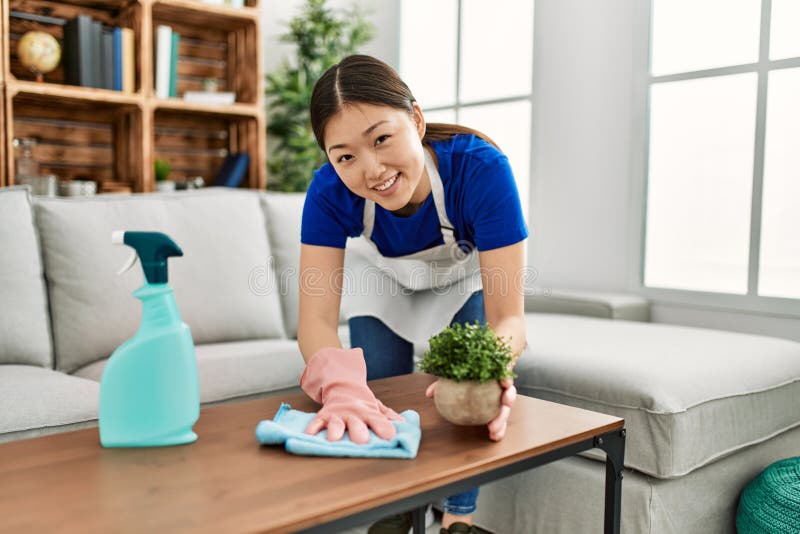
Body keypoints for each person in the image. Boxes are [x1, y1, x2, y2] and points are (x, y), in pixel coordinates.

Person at [297, 54, 528, 534]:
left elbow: (510, 319)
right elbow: (315, 323)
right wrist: (340, 389)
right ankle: (395, 508)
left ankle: (457, 518)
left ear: (416, 120)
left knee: (469, 385)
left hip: (461, 279)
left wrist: (490, 368)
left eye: (381, 138)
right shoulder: (326, 194)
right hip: (383, 281)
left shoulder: (480, 168)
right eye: (345, 156)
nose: (371, 169)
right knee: (376, 386)